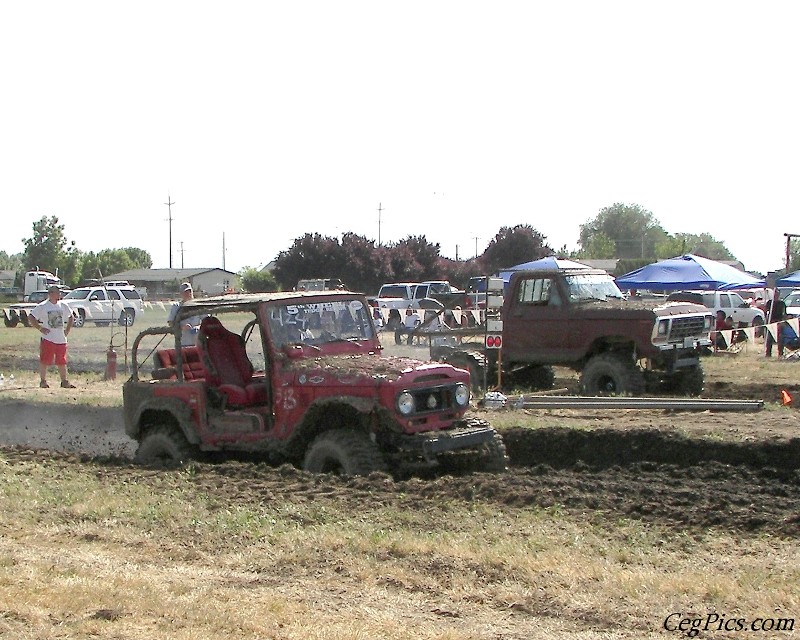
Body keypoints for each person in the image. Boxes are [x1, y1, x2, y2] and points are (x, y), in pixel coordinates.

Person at [27, 285, 76, 389]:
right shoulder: (43, 306)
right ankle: (43, 381)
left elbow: (71, 316)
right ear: (50, 294)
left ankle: (64, 381)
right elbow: (31, 317)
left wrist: (67, 330)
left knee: (62, 360)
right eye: (57, 292)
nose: (59, 294)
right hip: (48, 338)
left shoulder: (63, 305)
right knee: (45, 360)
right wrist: (40, 328)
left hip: (61, 338)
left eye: (59, 292)